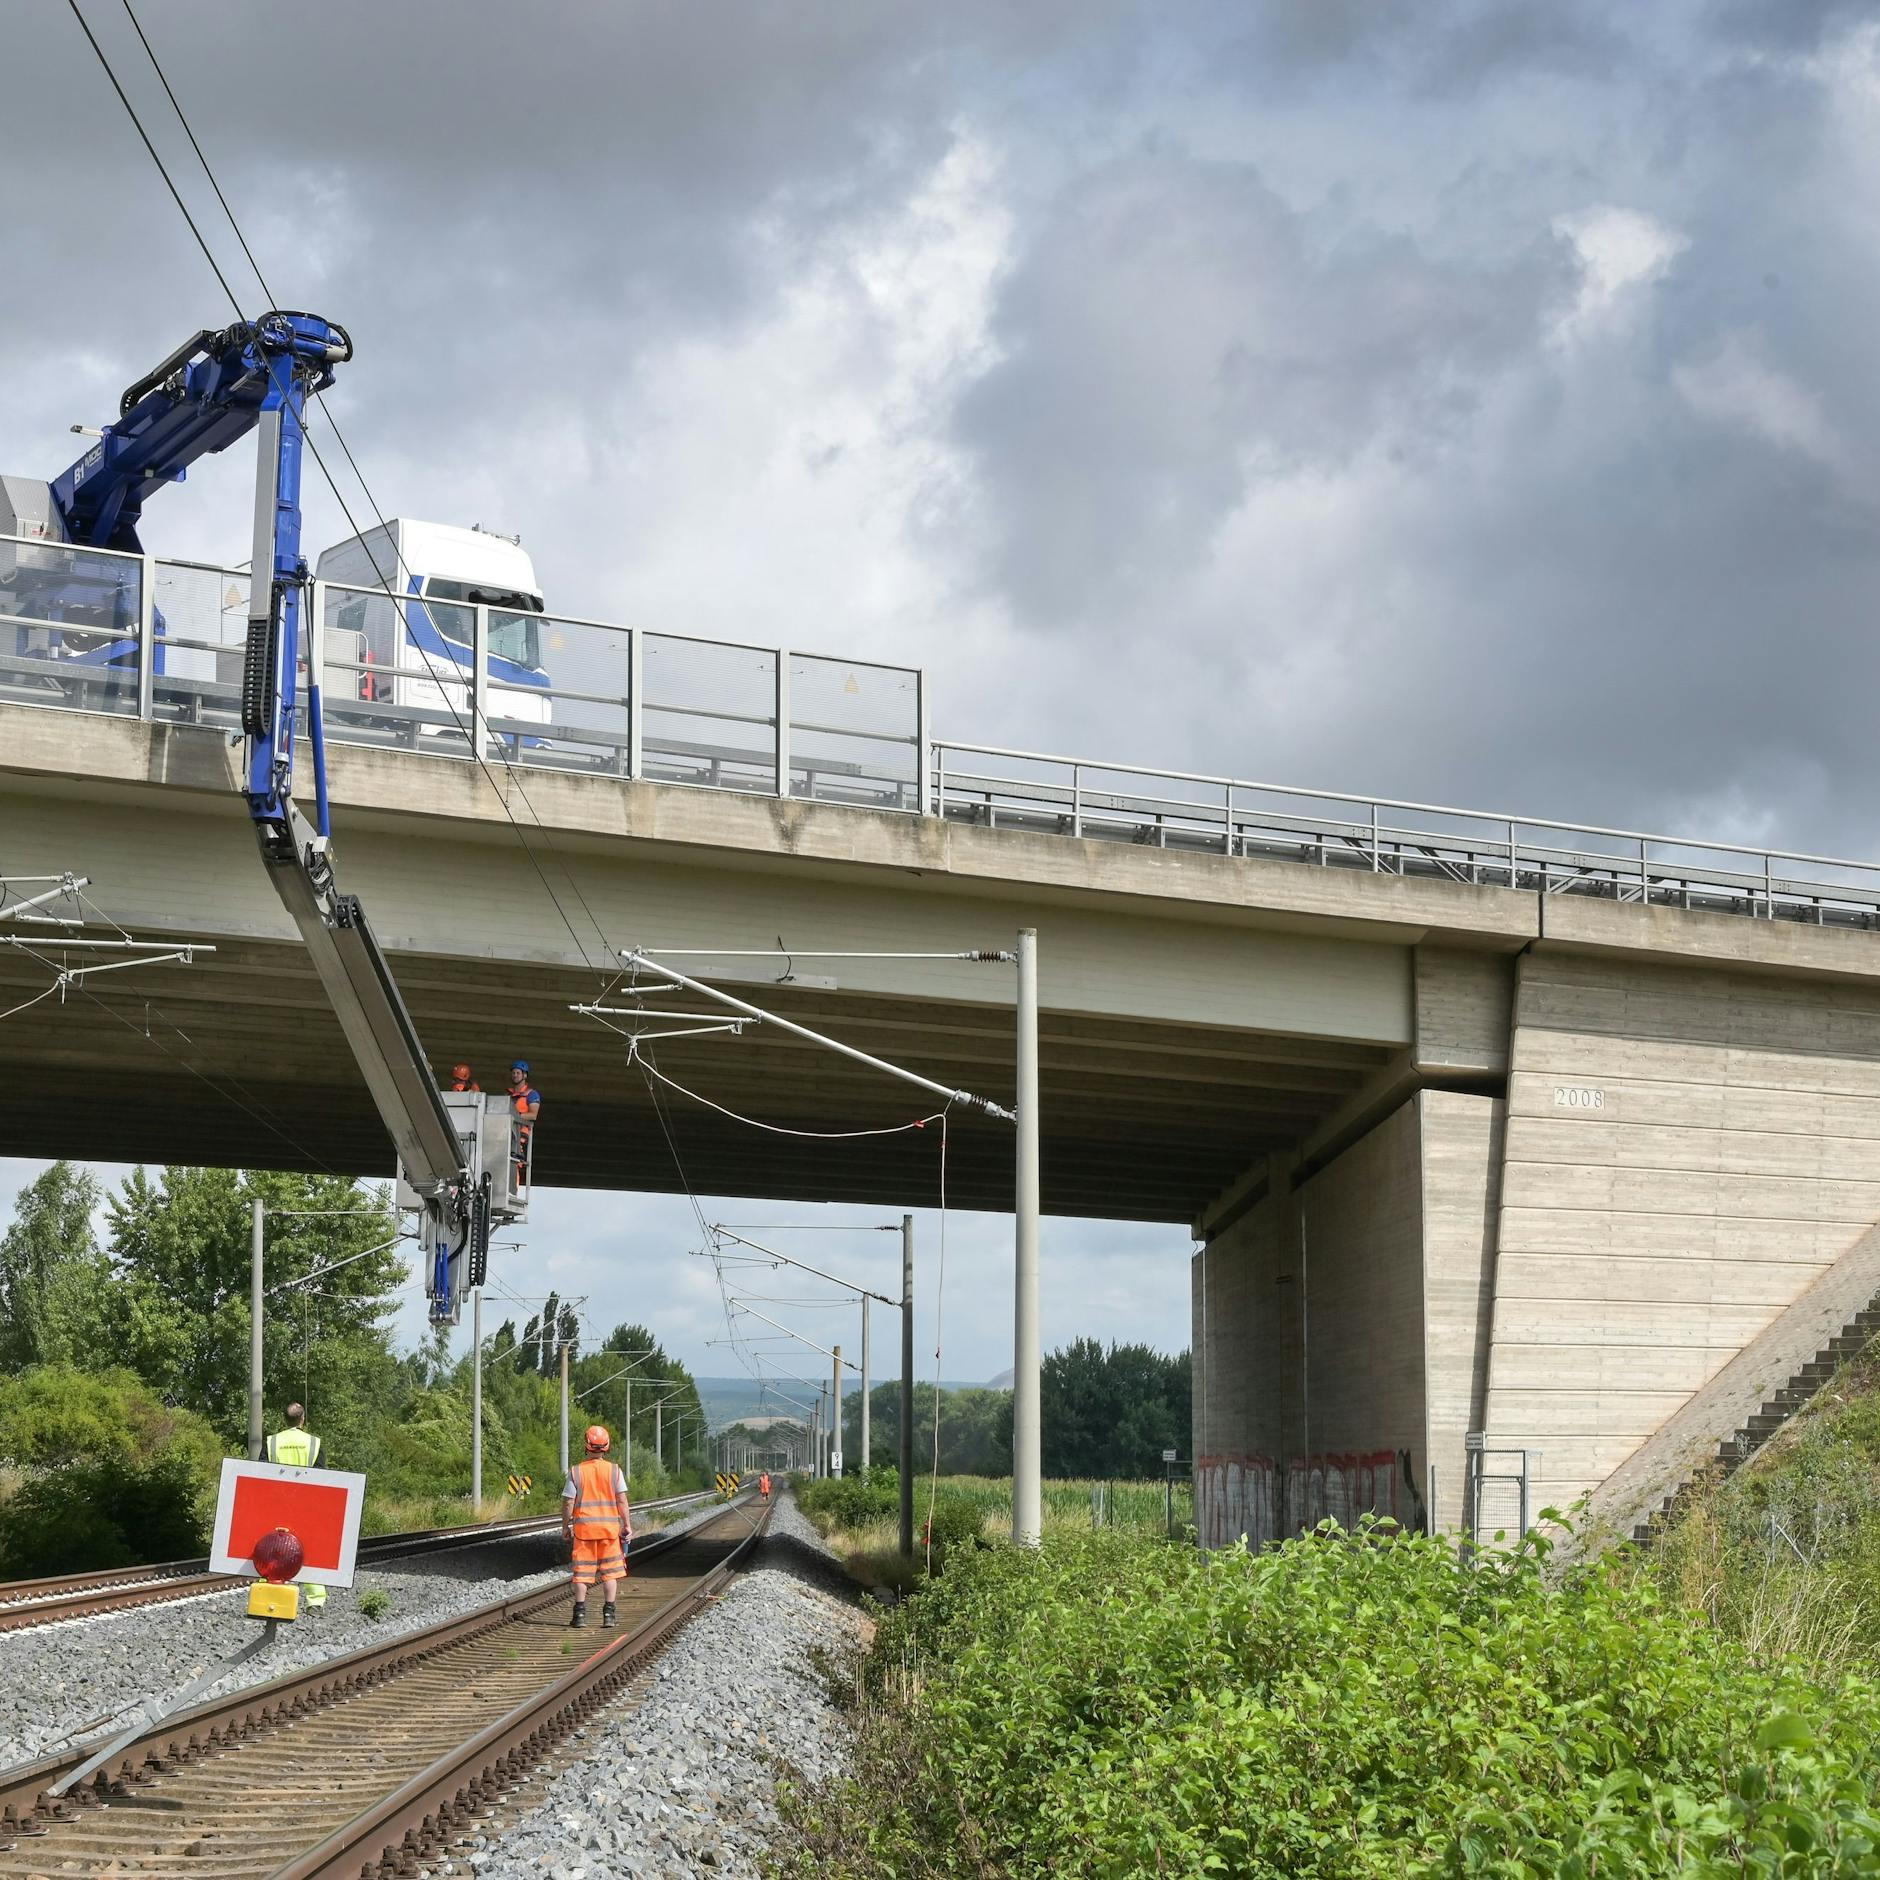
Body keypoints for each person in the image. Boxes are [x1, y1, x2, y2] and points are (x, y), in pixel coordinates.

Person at [562, 1424, 631, 1629]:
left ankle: (580, 1615)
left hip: (584, 1533)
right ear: (606, 1447)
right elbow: (622, 1501)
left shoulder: (576, 1472)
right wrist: (627, 1525)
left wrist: (565, 1526)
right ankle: (609, 1614)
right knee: (610, 1573)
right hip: (609, 1532)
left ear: (587, 1445)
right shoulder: (614, 1471)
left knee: (582, 1573)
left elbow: (568, 1502)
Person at [264, 1403, 328, 1609]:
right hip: (305, 1504)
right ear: (303, 1420)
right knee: (309, 1549)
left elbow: (260, 1474)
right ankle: (315, 1601)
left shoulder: (272, 1442)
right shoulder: (314, 1443)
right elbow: (322, 1478)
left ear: (285, 1419)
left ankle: (269, 1597)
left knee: (272, 1550)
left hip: (277, 1503)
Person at [507, 1059, 541, 1190]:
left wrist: (516, 1116)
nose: (515, 1075)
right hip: (508, 1133)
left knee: (515, 1163)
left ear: (524, 1075)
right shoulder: (509, 1095)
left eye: (518, 1073)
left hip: (521, 1135)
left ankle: (512, 1190)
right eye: (513, 1073)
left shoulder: (531, 1095)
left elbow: (533, 1115)